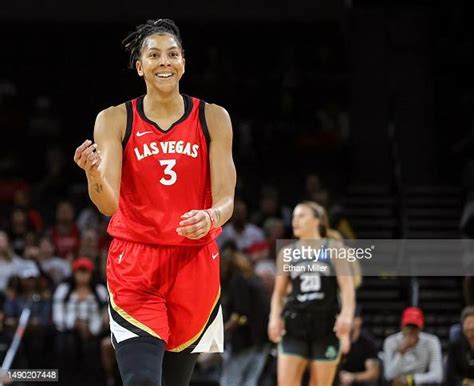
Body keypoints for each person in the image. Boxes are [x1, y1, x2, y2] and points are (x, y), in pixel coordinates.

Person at [73, 18, 236, 386]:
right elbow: (108, 205)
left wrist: (212, 216)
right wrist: (94, 175)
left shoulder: (213, 117)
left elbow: (227, 199)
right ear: (140, 66)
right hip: (136, 264)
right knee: (142, 380)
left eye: (173, 54)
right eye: (154, 55)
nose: (165, 62)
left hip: (193, 263)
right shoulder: (115, 119)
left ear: (183, 62)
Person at [268, 201, 355, 386]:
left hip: (326, 324)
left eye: (301, 216)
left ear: (317, 220)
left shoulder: (333, 248)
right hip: (295, 323)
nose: (295, 221)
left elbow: (347, 288)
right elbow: (279, 293)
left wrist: (347, 315)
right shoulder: (287, 252)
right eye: (293, 216)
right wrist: (274, 317)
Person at [383, 307, 443, 386]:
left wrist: (410, 380)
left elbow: (438, 375)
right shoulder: (390, 341)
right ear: (402, 326)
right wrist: (401, 353)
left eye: (415, 326)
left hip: (420, 383)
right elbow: (389, 375)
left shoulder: (432, 341)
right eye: (408, 326)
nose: (411, 330)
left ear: (421, 327)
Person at [338, 307, 380, 386]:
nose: (344, 322)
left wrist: (353, 377)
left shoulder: (368, 342)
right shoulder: (336, 339)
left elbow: (374, 373)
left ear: (358, 321)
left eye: (348, 318)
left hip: (358, 381)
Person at [447, 306, 474, 385]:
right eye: (468, 323)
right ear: (462, 325)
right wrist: (467, 383)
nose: (471, 327)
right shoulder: (455, 344)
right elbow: (451, 375)